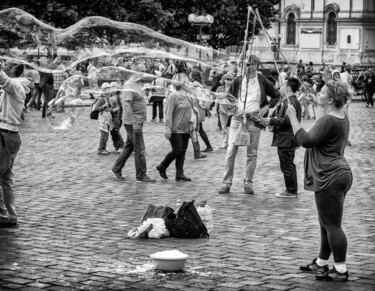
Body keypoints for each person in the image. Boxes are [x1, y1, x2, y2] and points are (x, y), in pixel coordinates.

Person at [286, 82, 352, 282]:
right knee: (326, 223)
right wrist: (318, 102)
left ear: (331, 99)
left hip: (329, 175)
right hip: (339, 172)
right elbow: (325, 121)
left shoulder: (328, 120)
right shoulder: (340, 115)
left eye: (322, 92)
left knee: (332, 225)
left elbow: (305, 140)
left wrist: (292, 117)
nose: (317, 93)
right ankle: (322, 262)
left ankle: (340, 269)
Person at [218, 55, 280, 194]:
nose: (246, 67)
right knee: (231, 151)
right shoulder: (238, 80)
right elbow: (229, 98)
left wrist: (266, 108)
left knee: (252, 153)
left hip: (254, 119)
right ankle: (226, 183)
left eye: (250, 64)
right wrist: (233, 110)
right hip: (237, 119)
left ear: (256, 66)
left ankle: (248, 183)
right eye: (245, 64)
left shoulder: (262, 80)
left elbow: (276, 95)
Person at [111, 62, 156, 182]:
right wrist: (134, 122)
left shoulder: (138, 83)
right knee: (140, 148)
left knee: (129, 147)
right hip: (132, 122)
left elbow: (151, 78)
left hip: (137, 120)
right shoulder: (129, 85)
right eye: (142, 71)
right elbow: (126, 105)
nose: (144, 73)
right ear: (135, 72)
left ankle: (117, 167)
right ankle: (141, 174)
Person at [0, 63, 30, 227]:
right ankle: (10, 215)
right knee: (6, 178)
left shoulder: (16, 86)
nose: (5, 68)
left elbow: (3, 79)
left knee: (3, 178)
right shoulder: (13, 89)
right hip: (10, 135)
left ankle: (3, 215)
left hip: (5, 135)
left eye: (8, 66)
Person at [262, 77, 302, 198]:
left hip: (287, 139)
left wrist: (271, 121)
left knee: (286, 165)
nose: (279, 88)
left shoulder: (291, 102)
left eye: (282, 86)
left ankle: (291, 190)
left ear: (288, 88)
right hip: (286, 138)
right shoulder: (287, 101)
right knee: (289, 164)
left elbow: (287, 120)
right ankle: (291, 188)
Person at [155, 81, 193, 182]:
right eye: (188, 84)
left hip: (186, 128)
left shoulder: (188, 97)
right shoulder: (173, 96)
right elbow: (168, 112)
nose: (190, 85)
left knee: (183, 151)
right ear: (183, 85)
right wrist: (168, 127)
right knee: (177, 149)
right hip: (175, 128)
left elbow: (191, 109)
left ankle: (179, 174)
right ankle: (162, 166)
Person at [216, 73, 234, 149]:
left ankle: (231, 141)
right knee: (224, 127)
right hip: (222, 109)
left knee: (231, 127)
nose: (229, 81)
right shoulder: (220, 88)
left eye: (231, 79)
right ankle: (225, 142)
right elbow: (216, 99)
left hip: (231, 110)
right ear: (224, 80)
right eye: (227, 79)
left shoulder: (234, 88)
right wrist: (215, 110)